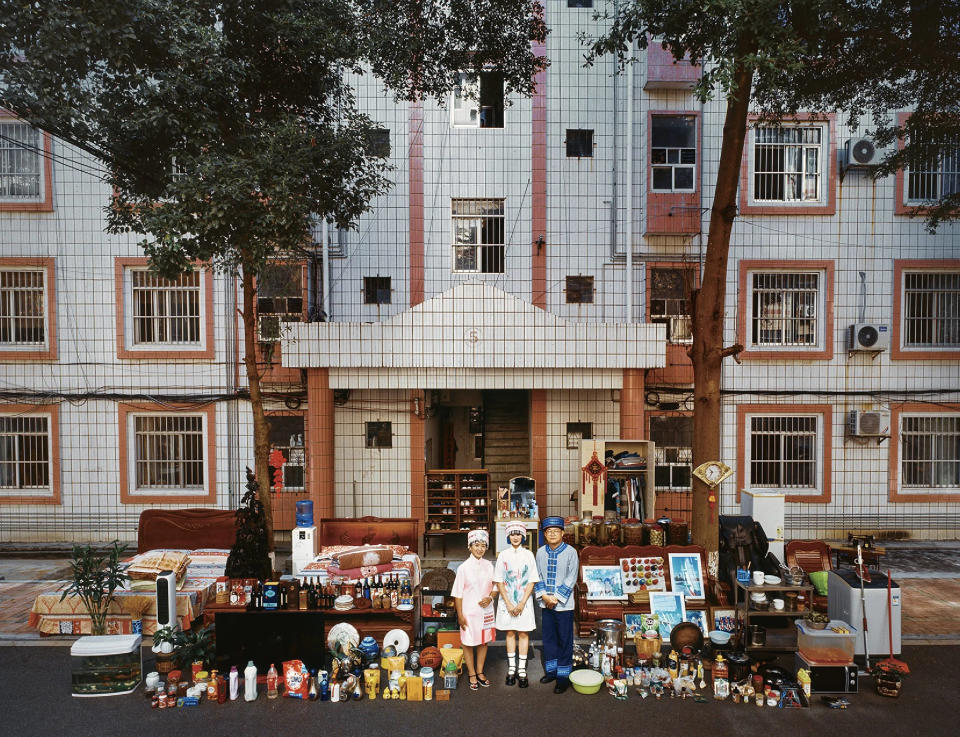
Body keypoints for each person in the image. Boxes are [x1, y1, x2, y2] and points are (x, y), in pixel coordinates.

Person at [534, 516, 579, 694]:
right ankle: (551, 672)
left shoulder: (571, 552)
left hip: (564, 605)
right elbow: (537, 575)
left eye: (555, 531)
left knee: (565, 640)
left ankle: (563, 677)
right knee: (549, 638)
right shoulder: (540, 552)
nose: (552, 534)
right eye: (548, 531)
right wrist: (545, 596)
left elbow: (571, 577)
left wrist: (556, 598)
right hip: (546, 603)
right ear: (544, 534)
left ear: (562, 533)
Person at [494, 520, 539, 687]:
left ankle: (522, 669)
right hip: (507, 601)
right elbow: (499, 581)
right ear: (508, 536)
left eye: (518, 533)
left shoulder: (528, 555)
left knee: (524, 633)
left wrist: (521, 603)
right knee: (510, 633)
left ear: (523, 536)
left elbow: (532, 580)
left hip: (524, 601)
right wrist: (508, 603)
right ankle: (511, 668)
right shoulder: (503, 555)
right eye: (512, 534)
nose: (515, 537)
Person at [452, 528, 496, 690]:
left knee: (483, 642)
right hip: (469, 613)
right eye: (476, 545)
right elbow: (457, 594)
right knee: (468, 643)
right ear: (469, 547)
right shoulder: (463, 568)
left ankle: (480, 671)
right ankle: (471, 673)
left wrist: (490, 597)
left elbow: (496, 586)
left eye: (483, 545)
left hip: (486, 612)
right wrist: (460, 614)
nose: (480, 548)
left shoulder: (489, 565)